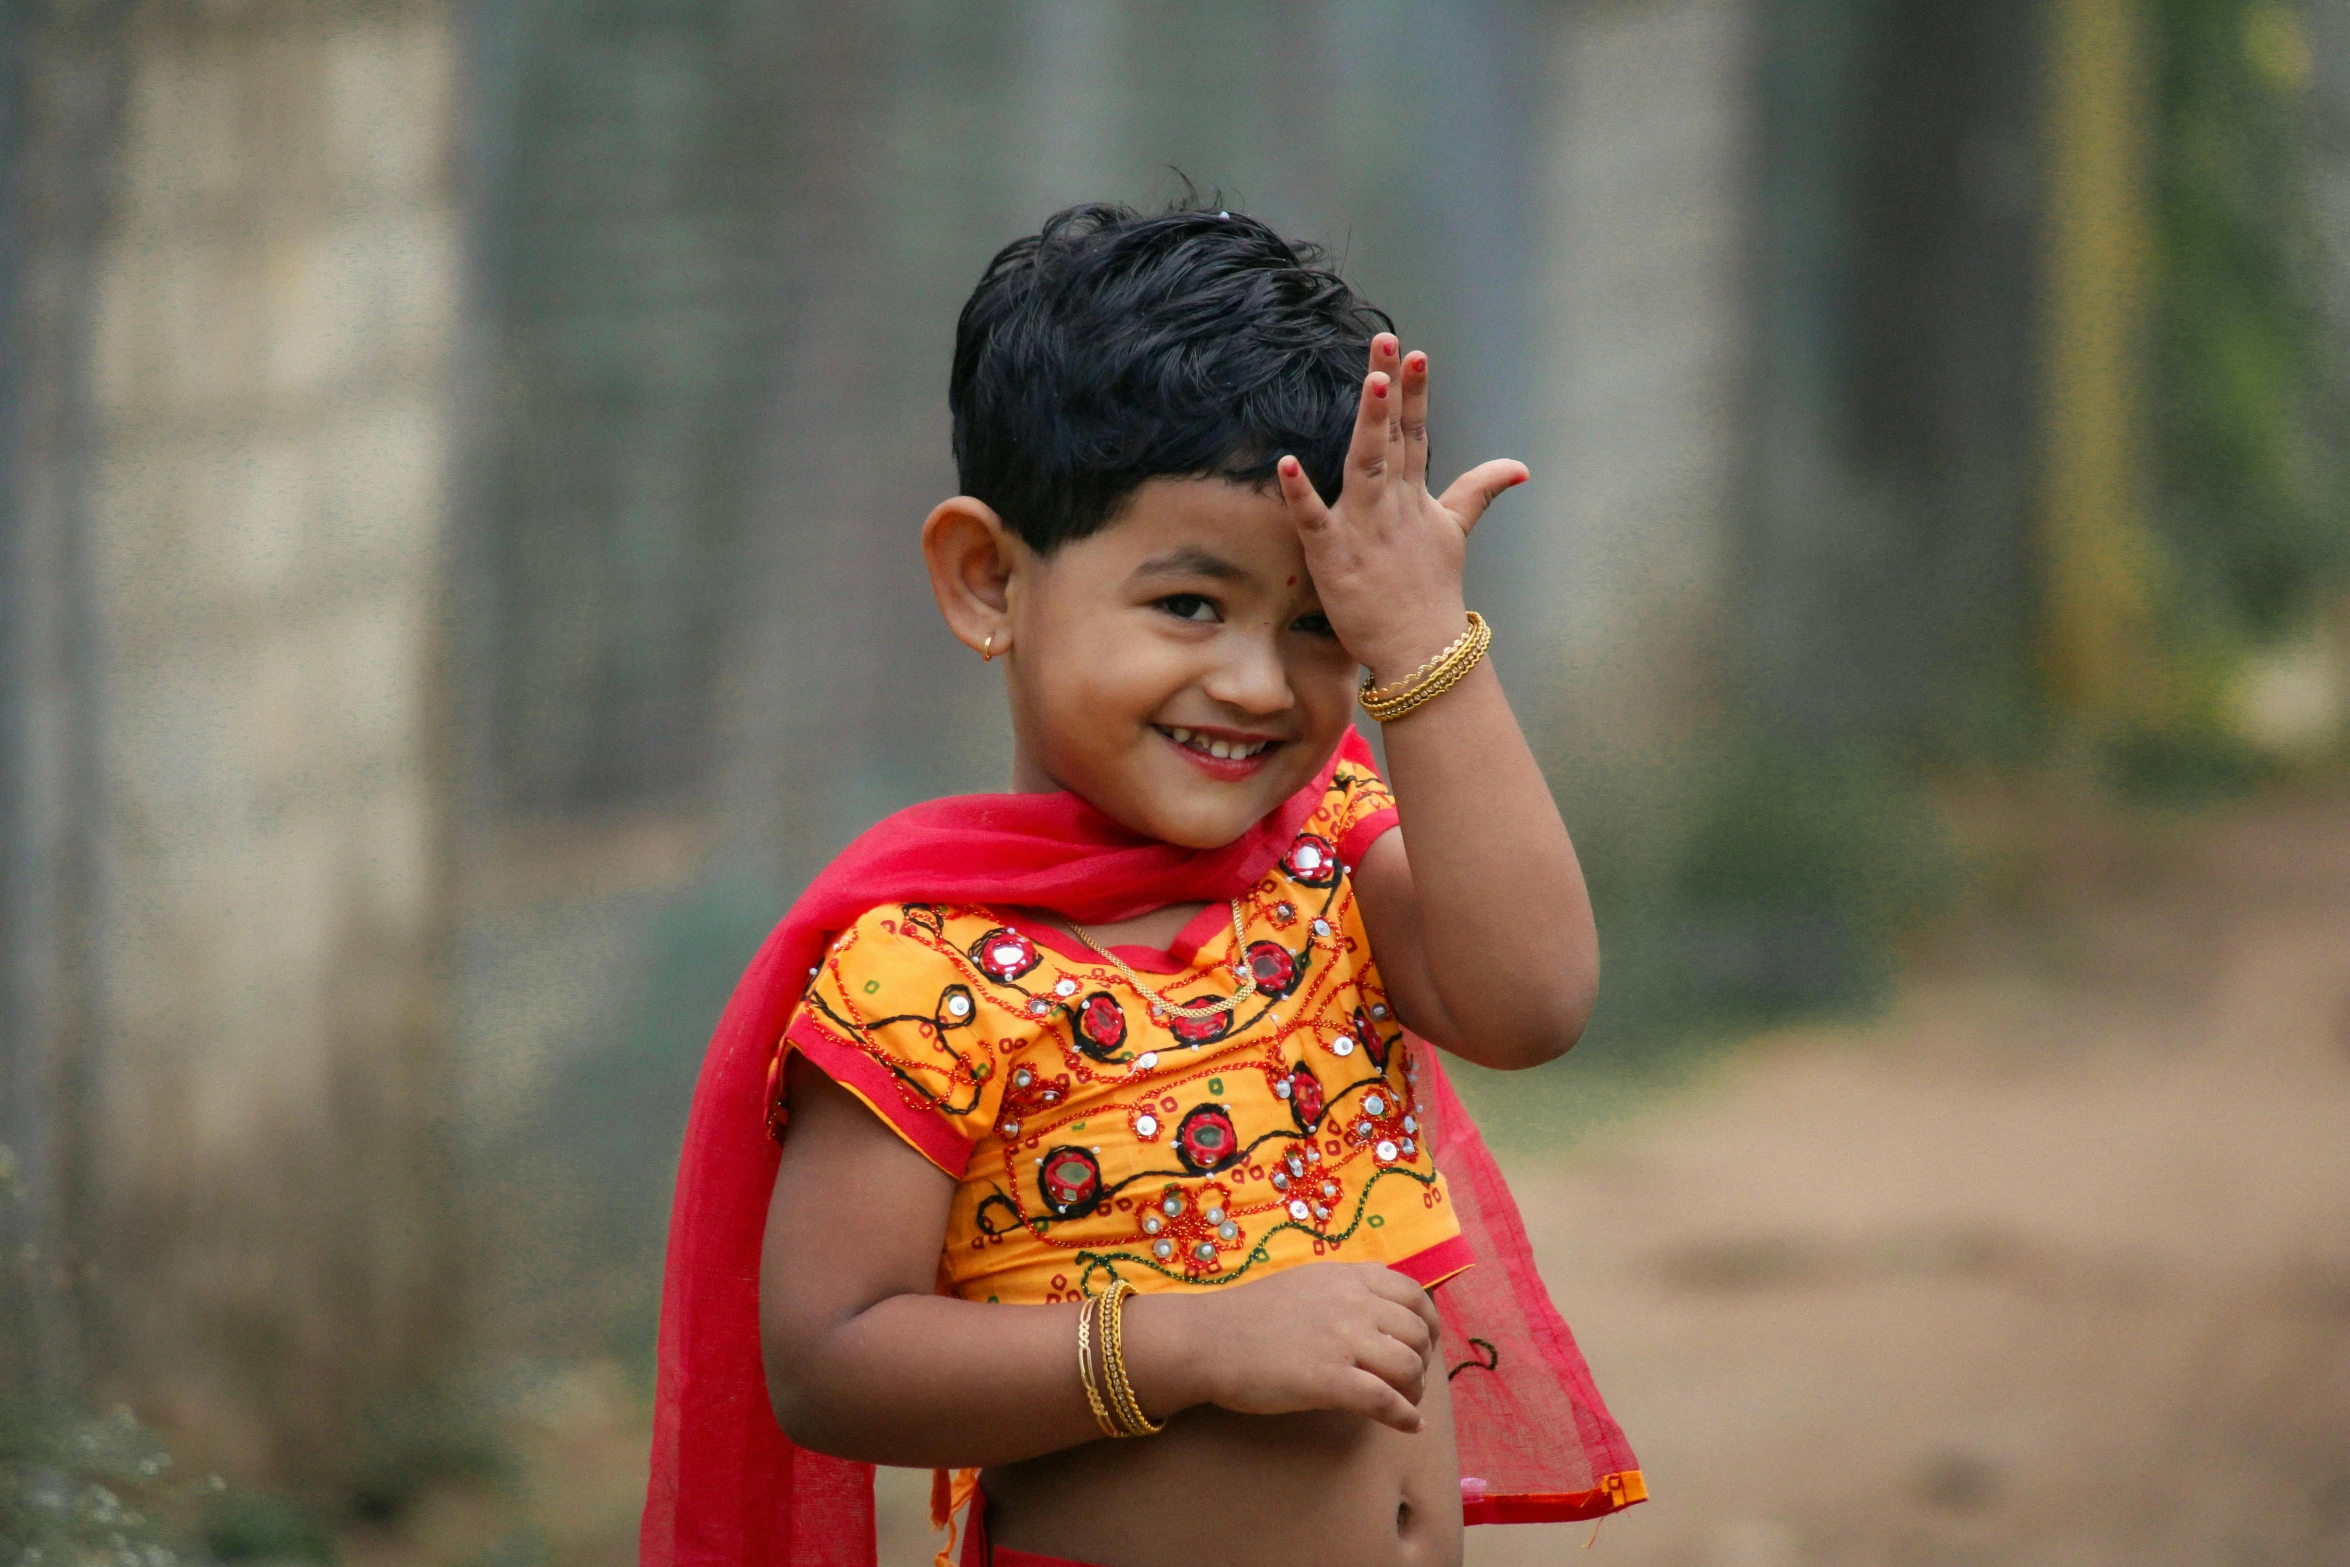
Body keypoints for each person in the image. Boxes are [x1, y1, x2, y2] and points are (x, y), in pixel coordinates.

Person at [643, 202, 1643, 1567]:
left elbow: (1531, 1002)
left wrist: (1419, 652)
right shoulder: (927, 972)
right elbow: (828, 1356)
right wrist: (1186, 1344)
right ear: (987, 579)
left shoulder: (1322, 845)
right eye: (1187, 604)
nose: (1252, 681)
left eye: (1313, 624)